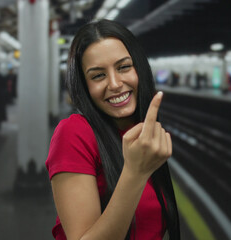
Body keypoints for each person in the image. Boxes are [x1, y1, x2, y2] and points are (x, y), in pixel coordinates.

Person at [45, 19, 180, 240]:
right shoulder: (74, 133)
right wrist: (135, 173)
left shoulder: (141, 134)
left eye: (124, 67)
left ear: (140, 69)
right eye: (98, 75)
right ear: (84, 85)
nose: (115, 84)